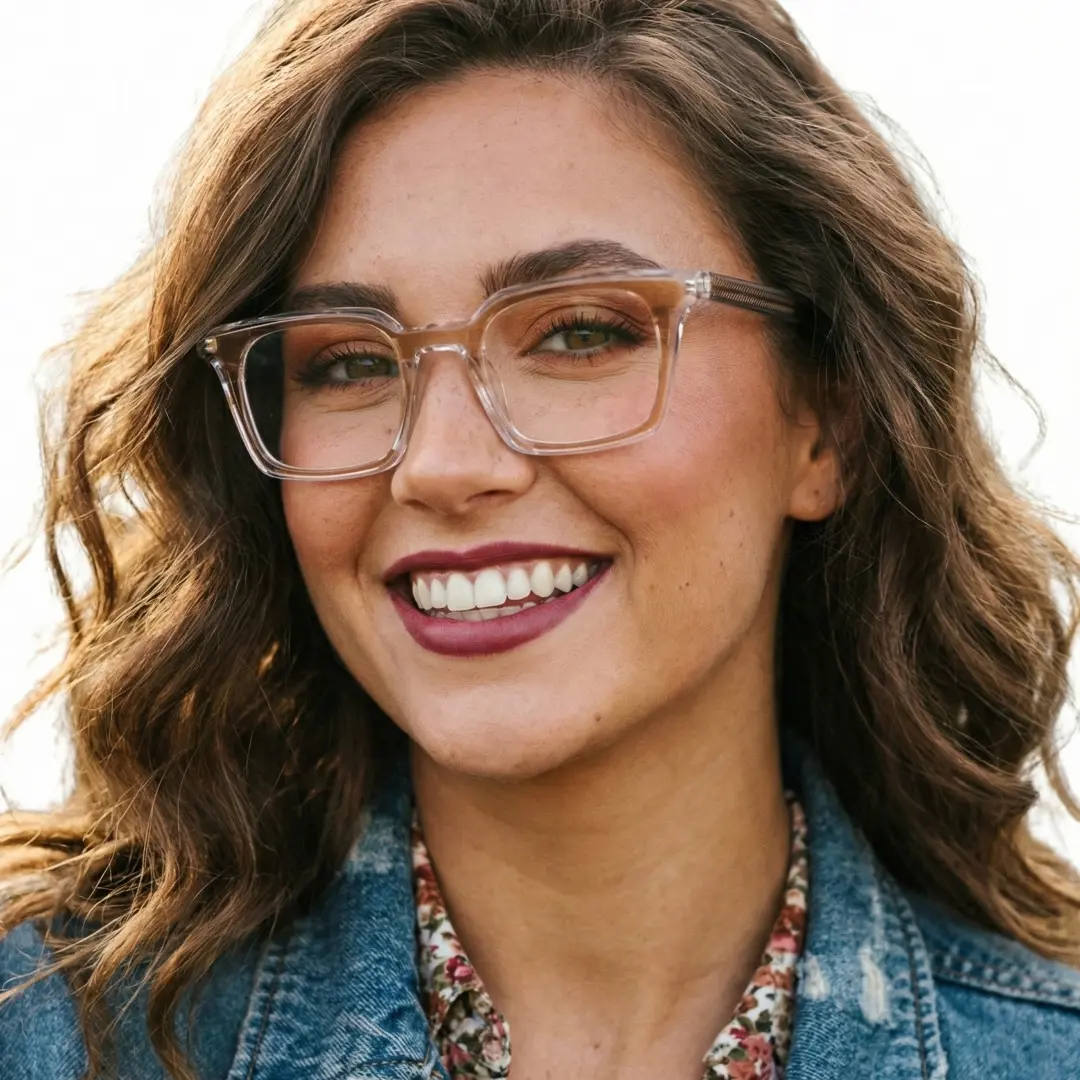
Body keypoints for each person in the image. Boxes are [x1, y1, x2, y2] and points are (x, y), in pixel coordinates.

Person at [2, 0, 1079, 1076]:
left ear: (825, 417)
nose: (442, 463)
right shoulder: (43, 1030)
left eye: (579, 333)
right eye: (347, 362)